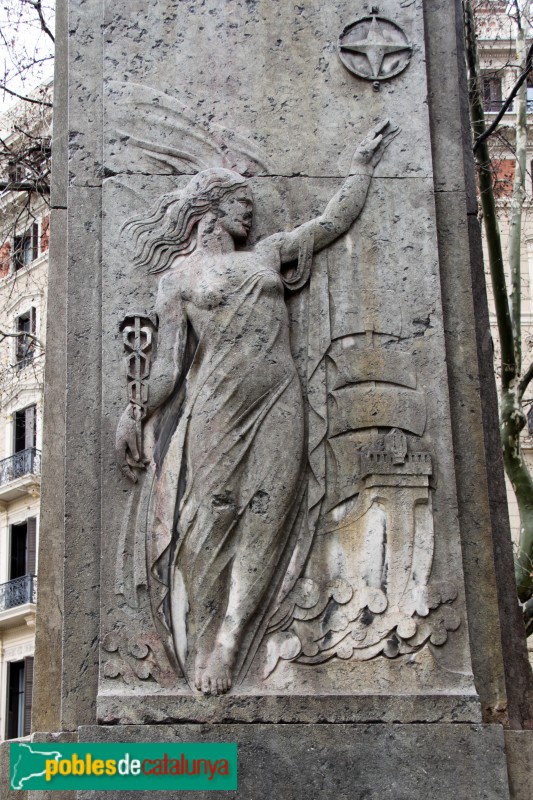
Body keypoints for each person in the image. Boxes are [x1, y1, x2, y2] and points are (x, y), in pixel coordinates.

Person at [116, 119, 394, 695]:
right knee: (209, 517)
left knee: (267, 515)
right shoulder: (178, 279)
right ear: (211, 209)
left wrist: (360, 168)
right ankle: (199, 629)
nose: (251, 213)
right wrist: (133, 411)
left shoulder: (268, 253)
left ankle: (230, 641)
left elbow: (330, 223)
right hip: (217, 402)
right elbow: (168, 367)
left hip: (278, 399)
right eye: (241, 203)